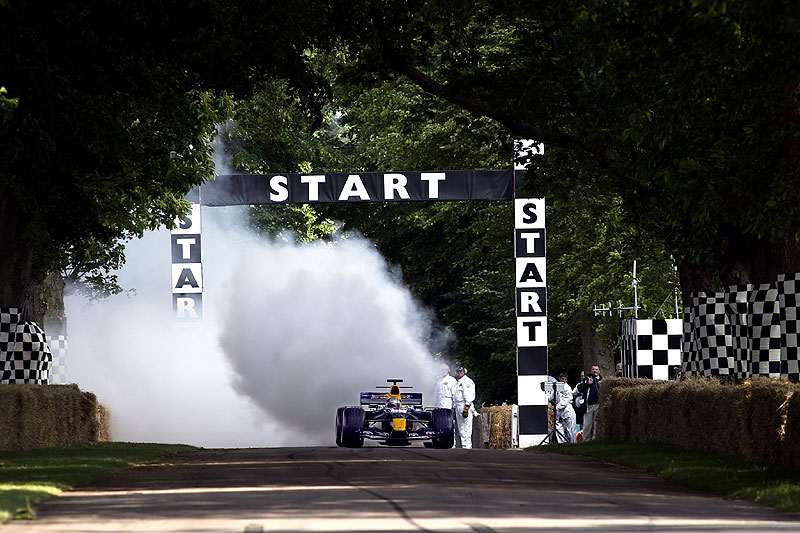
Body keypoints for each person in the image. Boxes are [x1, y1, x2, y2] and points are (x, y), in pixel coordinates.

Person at [576, 364, 602, 441]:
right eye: (593, 369)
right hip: (588, 406)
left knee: (596, 424)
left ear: (599, 371)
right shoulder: (587, 379)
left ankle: (595, 440)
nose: (595, 371)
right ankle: (585, 440)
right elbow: (579, 389)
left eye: (596, 369)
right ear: (591, 370)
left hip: (598, 405)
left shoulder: (602, 380)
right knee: (587, 424)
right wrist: (587, 384)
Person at [454, 365, 476, 449]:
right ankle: (464, 445)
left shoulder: (467, 381)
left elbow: (469, 395)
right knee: (461, 427)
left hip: (465, 405)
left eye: (461, 371)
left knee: (466, 426)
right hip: (458, 405)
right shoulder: (458, 382)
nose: (459, 373)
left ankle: (467, 446)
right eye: (458, 371)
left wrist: (466, 407)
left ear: (464, 372)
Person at [554, 372, 576, 443]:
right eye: (562, 379)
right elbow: (552, 396)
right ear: (559, 378)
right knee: (558, 426)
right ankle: (562, 442)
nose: (563, 380)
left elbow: (565, 401)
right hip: (559, 410)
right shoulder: (557, 386)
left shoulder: (567, 388)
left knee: (571, 429)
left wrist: (556, 407)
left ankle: (573, 443)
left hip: (567, 409)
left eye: (565, 379)